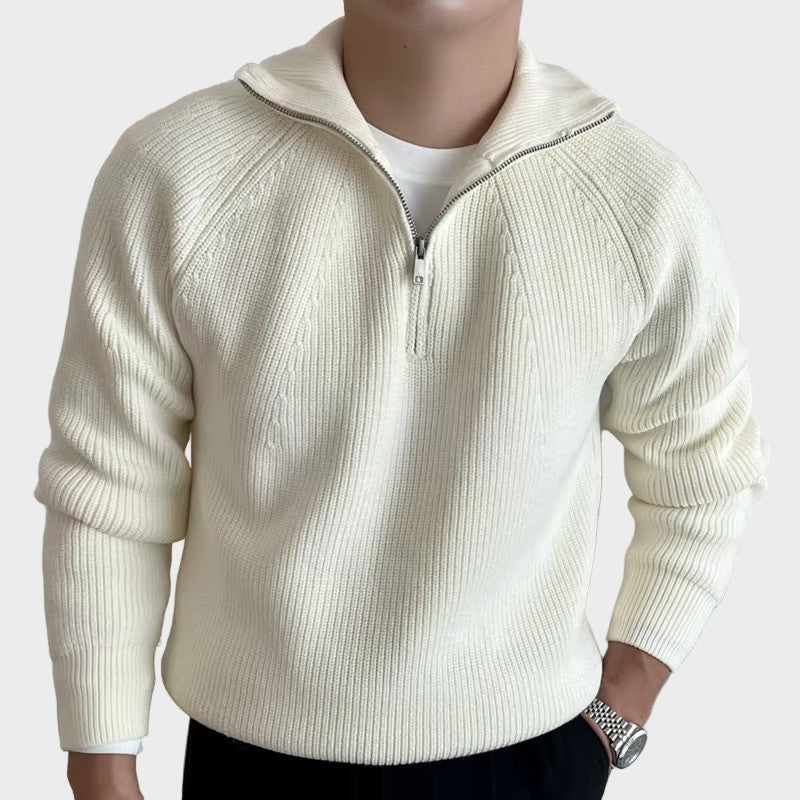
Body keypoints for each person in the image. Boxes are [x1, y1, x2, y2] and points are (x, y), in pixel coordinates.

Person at [34, 2, 770, 799]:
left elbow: (705, 474)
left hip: (530, 760)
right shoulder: (179, 171)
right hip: (252, 761)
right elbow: (112, 482)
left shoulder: (639, 200)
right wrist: (101, 761)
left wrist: (620, 709)